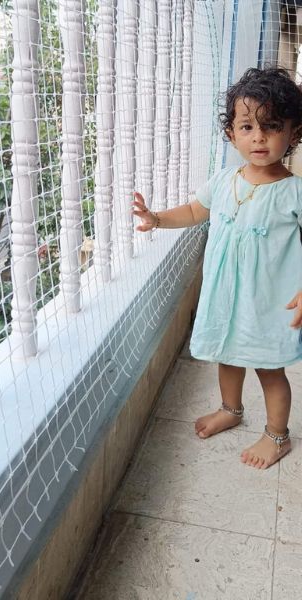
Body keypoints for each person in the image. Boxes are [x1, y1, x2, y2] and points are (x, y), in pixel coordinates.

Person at [131, 67, 302, 469]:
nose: (258, 136)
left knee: (268, 366)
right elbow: (195, 210)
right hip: (226, 295)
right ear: (231, 134)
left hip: (268, 301)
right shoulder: (226, 180)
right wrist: (157, 219)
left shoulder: (294, 192)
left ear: (293, 133)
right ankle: (231, 408)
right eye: (247, 126)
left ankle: (277, 435)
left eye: (271, 125)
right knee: (228, 355)